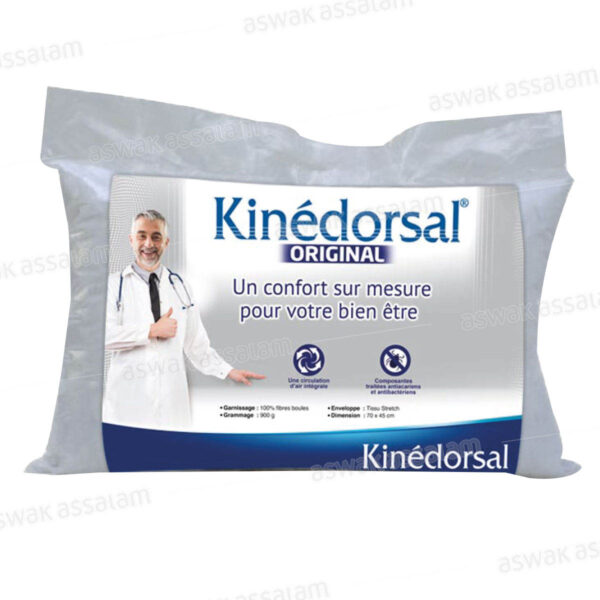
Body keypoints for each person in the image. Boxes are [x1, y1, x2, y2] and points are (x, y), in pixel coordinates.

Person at [103, 209, 265, 429]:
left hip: (172, 404)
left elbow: (196, 345)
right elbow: (102, 337)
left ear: (166, 242)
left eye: (156, 237)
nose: (148, 244)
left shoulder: (180, 286)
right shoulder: (113, 286)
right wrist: (151, 330)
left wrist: (227, 370)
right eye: (142, 236)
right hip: (128, 404)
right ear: (131, 240)